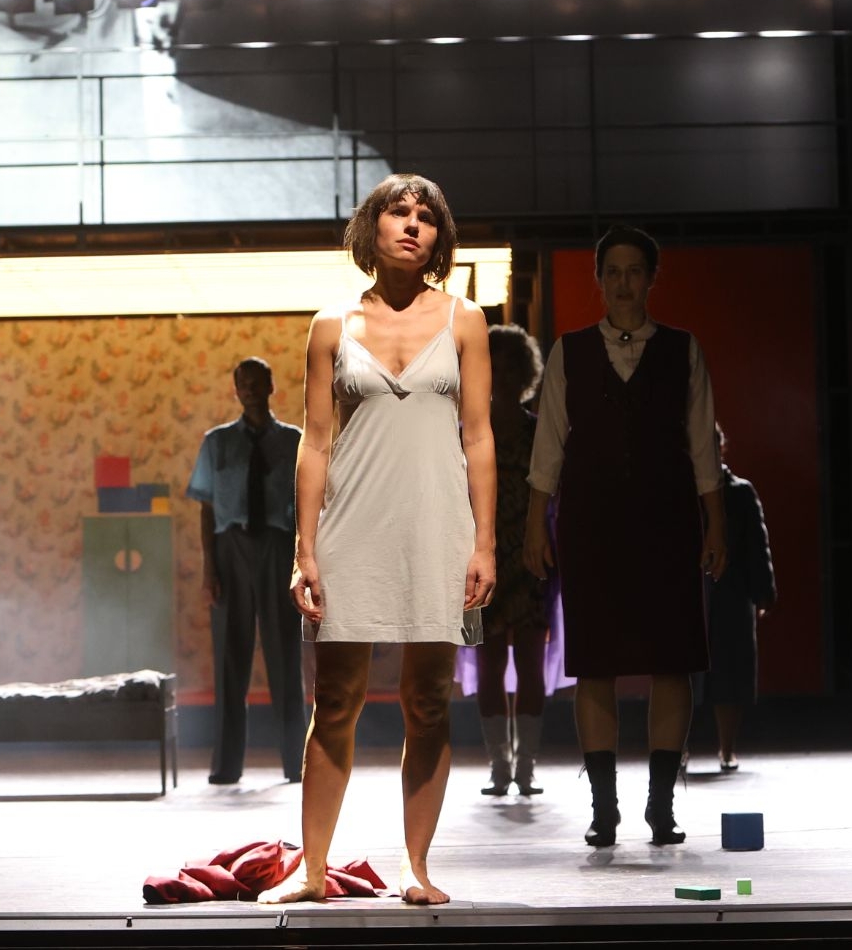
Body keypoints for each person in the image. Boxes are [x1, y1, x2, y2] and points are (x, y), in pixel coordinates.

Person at [262, 173, 495, 906]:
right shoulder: (331, 325)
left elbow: (480, 436)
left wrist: (485, 543)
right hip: (352, 528)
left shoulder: (465, 319)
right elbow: (314, 443)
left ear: (439, 237)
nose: (413, 225)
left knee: (428, 701)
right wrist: (304, 549)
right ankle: (312, 869)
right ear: (374, 226)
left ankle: (415, 867)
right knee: (335, 700)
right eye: (399, 211)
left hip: (437, 526)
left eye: (427, 216)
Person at [523, 225, 727, 848]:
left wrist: (716, 522)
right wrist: (535, 524)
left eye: (634, 270)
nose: (623, 282)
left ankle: (661, 806)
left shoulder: (683, 349)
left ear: (651, 278)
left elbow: (703, 445)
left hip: (668, 520)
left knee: (673, 661)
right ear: (599, 279)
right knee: (596, 664)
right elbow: (548, 447)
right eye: (612, 271)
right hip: (592, 522)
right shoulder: (570, 350)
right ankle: (604, 809)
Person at [186, 357, 306, 786]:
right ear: (235, 390)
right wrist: (209, 569)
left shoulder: (294, 441)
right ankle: (226, 765)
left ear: (272, 386)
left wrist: (305, 564)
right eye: (243, 384)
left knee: (285, 656)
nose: (251, 390)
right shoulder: (216, 442)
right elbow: (206, 509)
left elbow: (309, 506)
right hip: (230, 548)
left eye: (258, 383)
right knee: (229, 660)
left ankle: (296, 762)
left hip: (278, 547)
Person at [476, 323, 552, 797]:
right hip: (481, 560)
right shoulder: (469, 432)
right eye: (494, 368)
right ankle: (498, 766)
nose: (502, 378)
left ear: (524, 374)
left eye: (510, 369)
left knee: (529, 664)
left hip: (529, 557)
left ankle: (526, 767)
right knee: (488, 666)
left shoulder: (538, 431)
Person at [700, 423, 777, 771]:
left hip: (732, 592)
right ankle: (678, 749)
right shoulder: (687, 491)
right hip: (698, 594)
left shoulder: (741, 492)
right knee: (685, 676)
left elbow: (757, 545)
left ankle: (727, 747)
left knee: (730, 674)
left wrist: (763, 592)